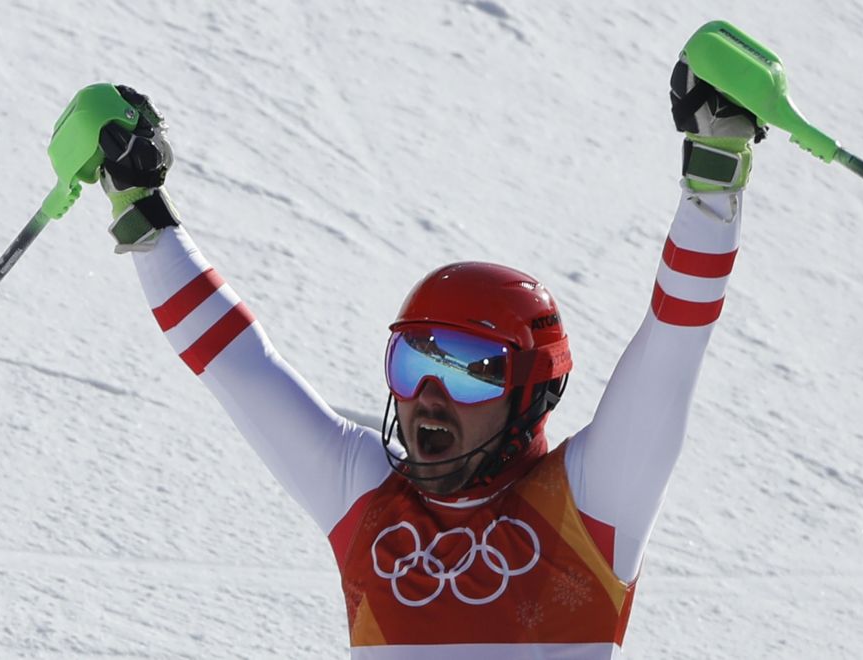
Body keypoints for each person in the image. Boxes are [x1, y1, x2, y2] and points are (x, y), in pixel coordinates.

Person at [86, 50, 766, 658]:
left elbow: (674, 338)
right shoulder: (367, 495)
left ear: (531, 395)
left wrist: (714, 173)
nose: (428, 399)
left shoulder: (591, 505)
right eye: (412, 364)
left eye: (468, 372)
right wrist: (138, 205)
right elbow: (236, 361)